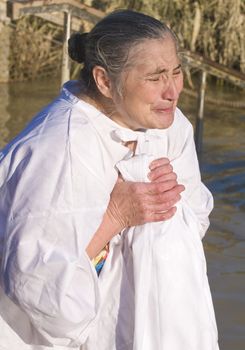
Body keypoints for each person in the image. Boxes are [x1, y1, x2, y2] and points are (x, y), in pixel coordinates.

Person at [0, 9, 219, 350]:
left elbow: (196, 213)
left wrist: (167, 195)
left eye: (176, 72)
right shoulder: (60, 150)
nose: (172, 91)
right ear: (104, 81)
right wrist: (115, 216)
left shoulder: (168, 126)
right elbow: (42, 292)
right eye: (155, 76)